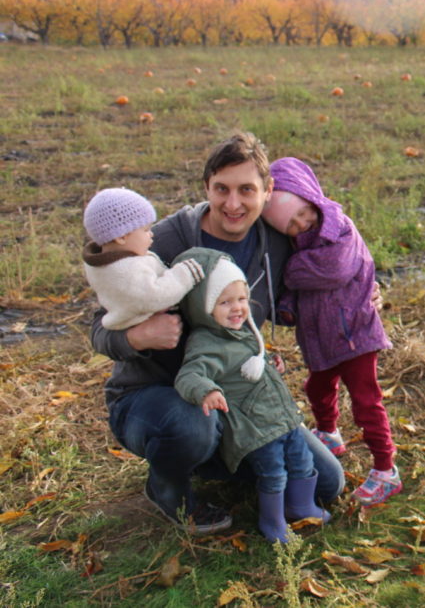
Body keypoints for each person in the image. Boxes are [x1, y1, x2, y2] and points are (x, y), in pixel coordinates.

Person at [90, 132, 344, 534]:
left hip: (235, 395)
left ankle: (221, 457)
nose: (233, 203)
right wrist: (138, 338)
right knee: (193, 428)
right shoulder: (164, 242)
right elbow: (98, 331)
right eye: (221, 189)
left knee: (329, 483)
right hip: (153, 395)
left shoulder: (274, 243)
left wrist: (363, 295)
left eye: (247, 190)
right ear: (205, 186)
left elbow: (333, 255)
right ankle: (170, 487)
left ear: (267, 190)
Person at [261, 157, 401, 506]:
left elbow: (333, 270)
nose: (301, 223)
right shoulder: (300, 244)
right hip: (319, 337)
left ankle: (386, 470)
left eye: (303, 212)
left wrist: (288, 272)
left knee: (366, 401)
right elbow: (294, 292)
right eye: (291, 225)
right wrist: (288, 306)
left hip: (354, 333)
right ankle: (328, 433)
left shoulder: (338, 227)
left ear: (311, 197)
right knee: (317, 386)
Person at [172, 248, 329, 542]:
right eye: (225, 302)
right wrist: (207, 390)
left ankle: (300, 504)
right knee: (273, 472)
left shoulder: (242, 330)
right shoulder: (206, 343)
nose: (237, 308)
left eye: (242, 299)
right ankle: (272, 521)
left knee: (302, 459)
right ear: (203, 307)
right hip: (256, 428)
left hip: (282, 418)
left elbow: (249, 365)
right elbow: (189, 375)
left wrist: (271, 365)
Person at [82, 187, 204, 331]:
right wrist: (185, 274)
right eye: (146, 230)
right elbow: (156, 296)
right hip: (144, 322)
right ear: (121, 237)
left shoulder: (101, 264)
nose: (151, 234)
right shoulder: (126, 271)